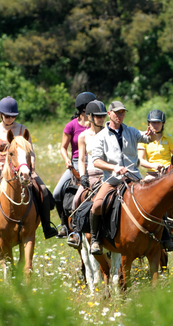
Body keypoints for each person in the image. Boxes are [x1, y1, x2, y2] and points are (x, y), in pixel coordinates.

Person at [88, 101, 173, 255]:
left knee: (157, 200)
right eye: (117, 112)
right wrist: (114, 167)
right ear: (109, 114)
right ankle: (95, 240)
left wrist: (150, 135)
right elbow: (96, 161)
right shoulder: (100, 137)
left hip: (134, 178)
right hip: (112, 180)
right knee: (97, 205)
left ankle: (165, 238)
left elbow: (146, 139)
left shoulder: (131, 131)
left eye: (122, 112)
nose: (120, 115)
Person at [0, 96, 58, 242]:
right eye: (7, 116)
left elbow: (30, 151)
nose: (10, 119)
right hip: (0, 168)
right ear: (0, 114)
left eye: (13, 116)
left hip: (22, 167)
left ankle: (47, 226)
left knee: (43, 190)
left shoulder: (23, 129)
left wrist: (31, 166)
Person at [53, 92, 97, 238]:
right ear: (84, 108)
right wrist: (67, 159)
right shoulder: (71, 125)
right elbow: (63, 147)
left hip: (94, 161)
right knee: (57, 192)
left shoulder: (96, 124)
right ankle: (64, 224)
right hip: (77, 163)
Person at [66, 100, 108, 246]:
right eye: (98, 116)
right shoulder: (83, 136)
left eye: (103, 116)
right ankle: (76, 233)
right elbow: (82, 159)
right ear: (90, 117)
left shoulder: (109, 133)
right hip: (91, 173)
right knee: (76, 199)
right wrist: (83, 176)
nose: (101, 119)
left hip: (107, 174)